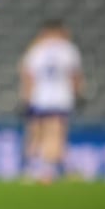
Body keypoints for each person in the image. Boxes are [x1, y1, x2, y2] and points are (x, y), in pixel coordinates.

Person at [19, 20, 84, 184]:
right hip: (60, 98)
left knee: (36, 133)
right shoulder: (68, 49)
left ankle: (30, 170)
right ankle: (47, 171)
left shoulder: (37, 49)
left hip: (39, 97)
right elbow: (75, 75)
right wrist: (78, 94)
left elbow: (27, 75)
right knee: (55, 134)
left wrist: (26, 98)